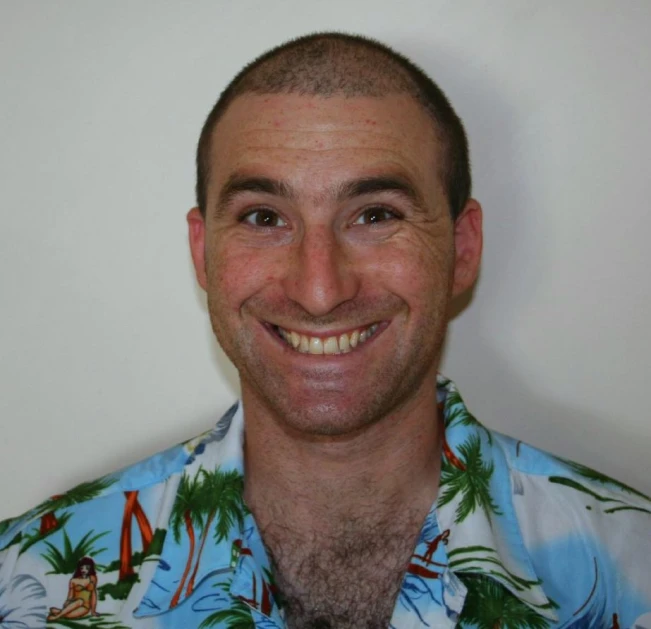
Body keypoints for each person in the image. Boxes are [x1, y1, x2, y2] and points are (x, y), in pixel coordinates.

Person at [0, 32, 649, 629]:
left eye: (373, 214)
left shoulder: (632, 570)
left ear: (461, 245)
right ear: (203, 253)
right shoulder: (28, 584)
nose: (319, 290)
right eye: (262, 216)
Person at [47, 556, 99, 621]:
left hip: (85, 606)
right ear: (79, 568)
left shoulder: (92, 578)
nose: (84, 570)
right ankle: (57, 616)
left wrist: (93, 611)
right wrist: (67, 602)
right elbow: (70, 595)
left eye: (87, 568)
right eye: (82, 568)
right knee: (80, 601)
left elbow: (94, 595)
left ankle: (58, 613)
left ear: (90, 568)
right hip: (74, 604)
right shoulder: (73, 580)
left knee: (68, 616)